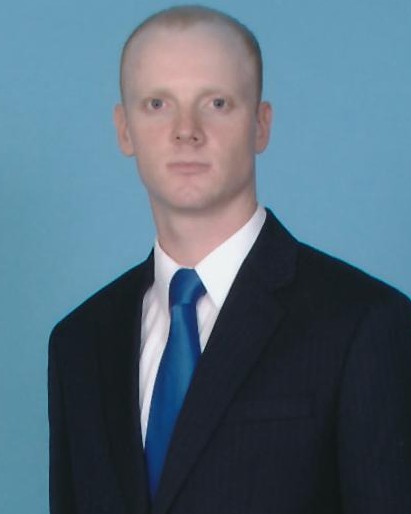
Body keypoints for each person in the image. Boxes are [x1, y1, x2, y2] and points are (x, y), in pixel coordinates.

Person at [48, 5, 411, 514]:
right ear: (124, 129)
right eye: (157, 104)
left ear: (261, 124)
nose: (186, 130)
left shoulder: (364, 324)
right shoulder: (79, 343)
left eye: (217, 103)